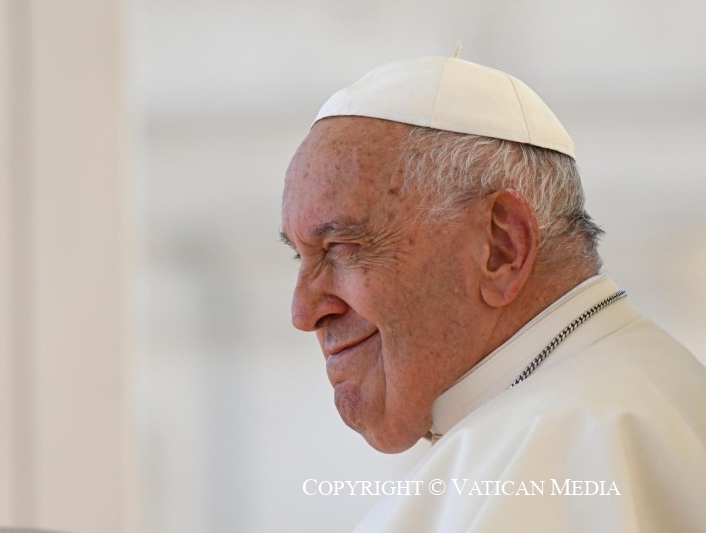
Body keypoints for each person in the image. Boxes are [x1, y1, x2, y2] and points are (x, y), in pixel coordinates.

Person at [280, 56, 706, 532]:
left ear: (502, 247)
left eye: (341, 248)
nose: (303, 311)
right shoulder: (612, 395)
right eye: (300, 256)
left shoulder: (571, 441)